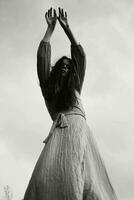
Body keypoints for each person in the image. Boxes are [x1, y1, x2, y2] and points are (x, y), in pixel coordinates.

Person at [24, 7, 118, 200]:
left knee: (87, 181)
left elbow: (80, 58)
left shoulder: (74, 88)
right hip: (60, 133)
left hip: (81, 133)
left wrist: (68, 29)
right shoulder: (49, 90)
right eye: (63, 65)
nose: (66, 68)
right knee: (47, 177)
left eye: (69, 66)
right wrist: (50, 30)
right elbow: (42, 60)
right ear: (57, 69)